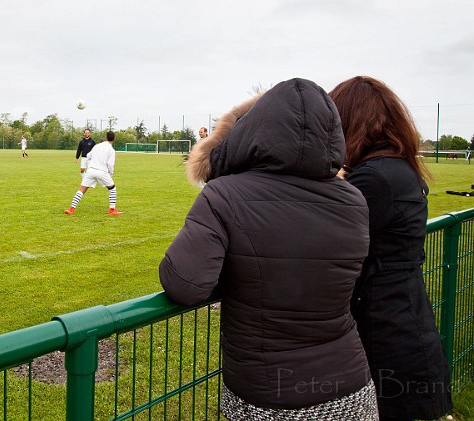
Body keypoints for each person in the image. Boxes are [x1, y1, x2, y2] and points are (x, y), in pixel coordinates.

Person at [160, 78, 377, 420]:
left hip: (267, 396)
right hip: (352, 385)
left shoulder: (225, 195)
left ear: (255, 130)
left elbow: (185, 284)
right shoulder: (353, 199)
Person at [329, 76, 452, 421]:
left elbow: (324, 239)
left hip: (387, 333)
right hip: (398, 320)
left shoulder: (374, 178)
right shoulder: (392, 167)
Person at [64, 130, 122, 216]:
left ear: (105, 137)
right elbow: (110, 164)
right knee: (112, 188)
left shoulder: (97, 146)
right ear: (114, 139)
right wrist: (111, 174)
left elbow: (88, 156)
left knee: (82, 189)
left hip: (91, 170)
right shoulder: (111, 150)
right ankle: (112, 210)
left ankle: (71, 209)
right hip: (102, 171)